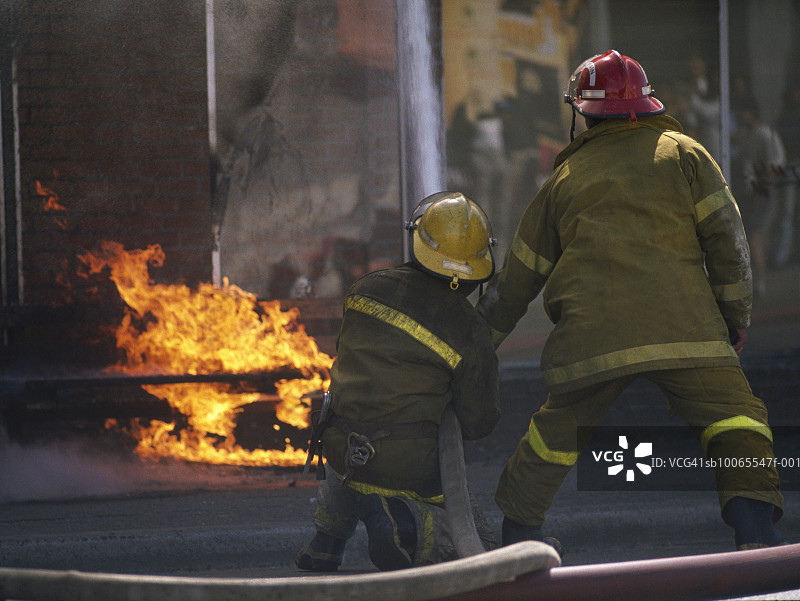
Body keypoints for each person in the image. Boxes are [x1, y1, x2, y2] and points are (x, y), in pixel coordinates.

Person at [477, 50, 784, 552]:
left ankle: (519, 535)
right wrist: (734, 317)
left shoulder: (561, 181)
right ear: (646, 104)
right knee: (736, 418)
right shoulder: (685, 154)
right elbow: (728, 242)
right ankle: (756, 531)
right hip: (687, 329)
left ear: (584, 113)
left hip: (593, 337)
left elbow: (517, 280)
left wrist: (473, 349)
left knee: (555, 430)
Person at [296, 191, 502, 572]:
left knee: (344, 435)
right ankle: (404, 525)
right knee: (475, 535)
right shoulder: (470, 330)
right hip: (404, 466)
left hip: (340, 447)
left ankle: (326, 542)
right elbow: (479, 422)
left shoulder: (364, 290)